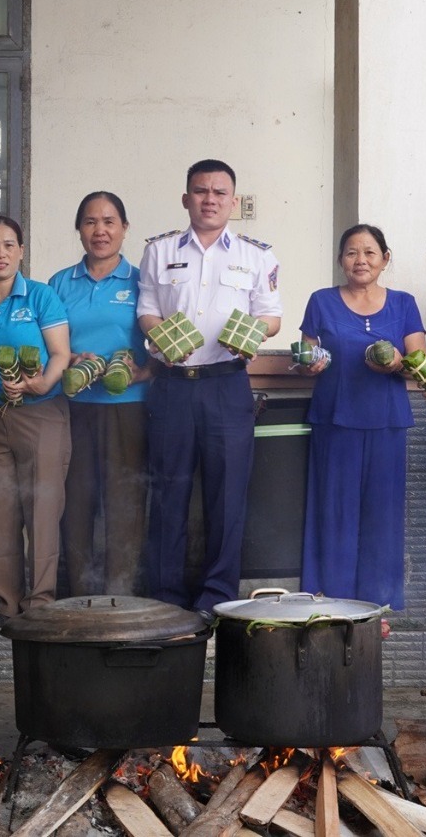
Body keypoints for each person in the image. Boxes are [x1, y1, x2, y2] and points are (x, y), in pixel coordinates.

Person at [137, 159, 282, 616]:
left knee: (227, 498)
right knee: (167, 494)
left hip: (226, 387)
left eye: (220, 192)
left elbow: (271, 315)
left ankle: (218, 597)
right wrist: (161, 338)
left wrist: (253, 336)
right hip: (172, 387)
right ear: (186, 199)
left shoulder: (257, 255)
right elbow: (146, 310)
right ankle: (165, 597)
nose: (210, 199)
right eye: (201, 191)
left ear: (233, 202)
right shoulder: (159, 251)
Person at [294, 225, 425, 611]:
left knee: (382, 516)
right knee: (333, 511)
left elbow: (419, 364)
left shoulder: (403, 303)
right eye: (351, 253)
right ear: (340, 261)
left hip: (386, 421)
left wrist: (398, 363)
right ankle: (329, 601)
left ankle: (378, 604)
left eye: (370, 252)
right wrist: (309, 366)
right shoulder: (321, 301)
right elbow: (305, 356)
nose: (361, 260)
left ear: (386, 258)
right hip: (335, 418)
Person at [0, 216, 71, 621]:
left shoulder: (40, 296)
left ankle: (40, 603)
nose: (0, 253)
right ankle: (7, 603)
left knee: (42, 510)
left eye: (8, 245)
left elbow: (60, 354)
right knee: (1, 512)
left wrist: (41, 384)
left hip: (41, 414)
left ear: (21, 251)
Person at [48, 192, 150, 596]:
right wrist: (69, 357)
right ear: (79, 229)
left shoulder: (142, 281)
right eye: (90, 222)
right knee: (74, 505)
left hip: (127, 410)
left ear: (125, 228)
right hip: (71, 408)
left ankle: (120, 595)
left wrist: (145, 372)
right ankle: (78, 594)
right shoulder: (59, 283)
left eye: (109, 221)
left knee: (125, 505)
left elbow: (162, 340)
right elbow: (46, 343)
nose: (100, 230)